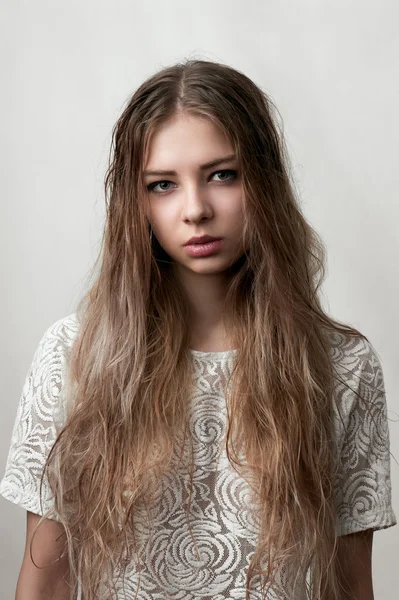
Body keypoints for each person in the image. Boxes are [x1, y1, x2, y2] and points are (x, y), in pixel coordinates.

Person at [0, 59, 396, 600]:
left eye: (222, 175)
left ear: (264, 181)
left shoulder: (340, 367)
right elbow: (45, 579)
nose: (195, 209)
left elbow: (349, 588)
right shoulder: (72, 357)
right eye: (163, 185)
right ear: (135, 204)